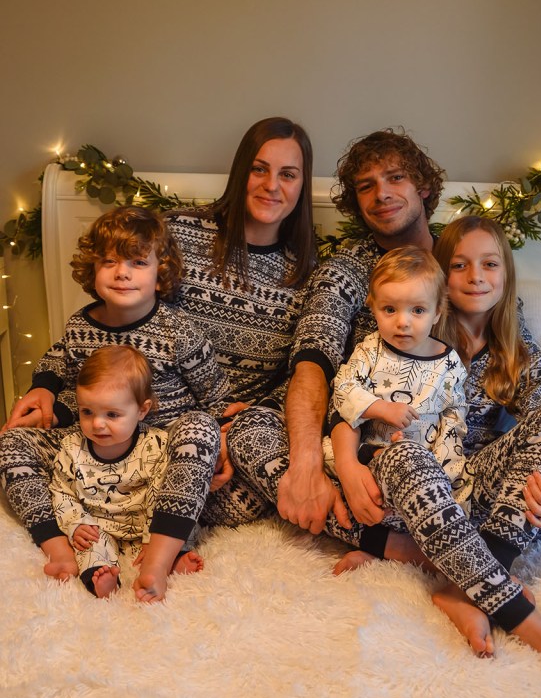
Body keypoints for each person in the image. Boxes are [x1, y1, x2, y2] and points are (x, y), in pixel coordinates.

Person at [228, 131, 541, 686]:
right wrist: (331, 464)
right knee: (281, 437)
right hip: (386, 459)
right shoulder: (369, 304)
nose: (381, 194)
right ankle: (507, 604)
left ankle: (453, 570)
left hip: (467, 474)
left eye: (395, 178)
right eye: (365, 186)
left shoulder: (487, 307)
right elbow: (322, 371)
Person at [131, 115, 318, 600]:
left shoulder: (305, 271)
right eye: (260, 169)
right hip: (163, 420)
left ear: (303, 184)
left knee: (272, 484)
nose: (272, 185)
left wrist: (242, 425)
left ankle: (159, 515)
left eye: (288, 174)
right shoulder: (178, 235)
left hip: (244, 438)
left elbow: (298, 373)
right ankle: (158, 514)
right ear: (241, 172)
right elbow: (129, 325)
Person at [0, 206, 230, 589]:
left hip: (159, 462)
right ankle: (57, 546)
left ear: (161, 273)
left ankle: (159, 557)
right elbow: (58, 366)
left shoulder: (178, 330)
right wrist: (46, 393)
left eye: (138, 262)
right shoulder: (80, 326)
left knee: (202, 428)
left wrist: (215, 438)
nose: (122, 272)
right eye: (109, 261)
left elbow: (217, 397)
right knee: (10, 441)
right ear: (93, 270)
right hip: (92, 455)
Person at [327, 246, 469, 509]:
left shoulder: (449, 365)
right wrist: (379, 408)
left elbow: (454, 419)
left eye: (417, 310)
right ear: (374, 308)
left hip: (426, 466)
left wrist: (438, 467)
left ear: (437, 312)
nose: (403, 322)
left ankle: (435, 524)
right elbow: (343, 389)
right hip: (370, 456)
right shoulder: (370, 350)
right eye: (390, 309)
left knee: (459, 486)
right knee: (327, 462)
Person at [50, 346, 195, 598]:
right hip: (98, 524)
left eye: (112, 414)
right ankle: (103, 579)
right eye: (87, 412)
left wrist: (152, 538)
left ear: (141, 410)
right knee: (89, 547)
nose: (97, 423)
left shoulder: (156, 444)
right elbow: (61, 491)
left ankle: (172, 560)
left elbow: (161, 491)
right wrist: (76, 524)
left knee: (178, 526)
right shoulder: (72, 448)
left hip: (147, 523)